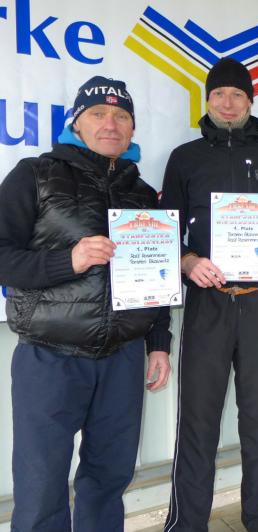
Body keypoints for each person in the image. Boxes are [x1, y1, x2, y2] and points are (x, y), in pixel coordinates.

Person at [0, 76, 171, 531]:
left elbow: (157, 273)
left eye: (121, 116)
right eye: (98, 114)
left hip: (122, 357)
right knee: (41, 483)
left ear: (132, 129)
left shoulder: (143, 193)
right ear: (76, 122)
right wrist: (67, 261)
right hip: (49, 355)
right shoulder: (35, 175)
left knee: (110, 476)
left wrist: (159, 343)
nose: (110, 124)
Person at [160, 58, 258, 532]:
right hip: (208, 303)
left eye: (237, 94)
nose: (227, 103)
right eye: (219, 94)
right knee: (198, 420)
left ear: (250, 100)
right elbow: (166, 235)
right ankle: (186, 523)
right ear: (207, 100)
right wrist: (188, 261)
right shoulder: (185, 158)